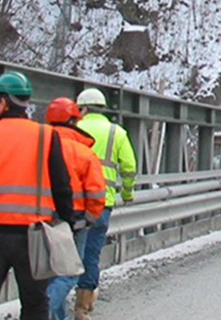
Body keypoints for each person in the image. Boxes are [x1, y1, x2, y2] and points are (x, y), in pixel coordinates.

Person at [0, 71, 74, 320]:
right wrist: (68, 222)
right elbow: (62, 186)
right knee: (34, 305)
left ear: (3, 102)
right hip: (33, 236)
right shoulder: (46, 135)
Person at [74, 88, 137, 320]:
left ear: (83, 108)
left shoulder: (74, 129)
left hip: (75, 203)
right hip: (103, 202)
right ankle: (82, 307)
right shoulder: (116, 132)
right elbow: (129, 167)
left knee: (67, 253)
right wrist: (127, 192)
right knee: (91, 253)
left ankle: (56, 301)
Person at [45, 97, 106, 320]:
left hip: (42, 217)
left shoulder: (39, 147)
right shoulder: (83, 152)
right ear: (73, 121)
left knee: (50, 272)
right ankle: (44, 311)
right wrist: (89, 218)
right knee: (69, 272)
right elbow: (97, 191)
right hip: (75, 219)